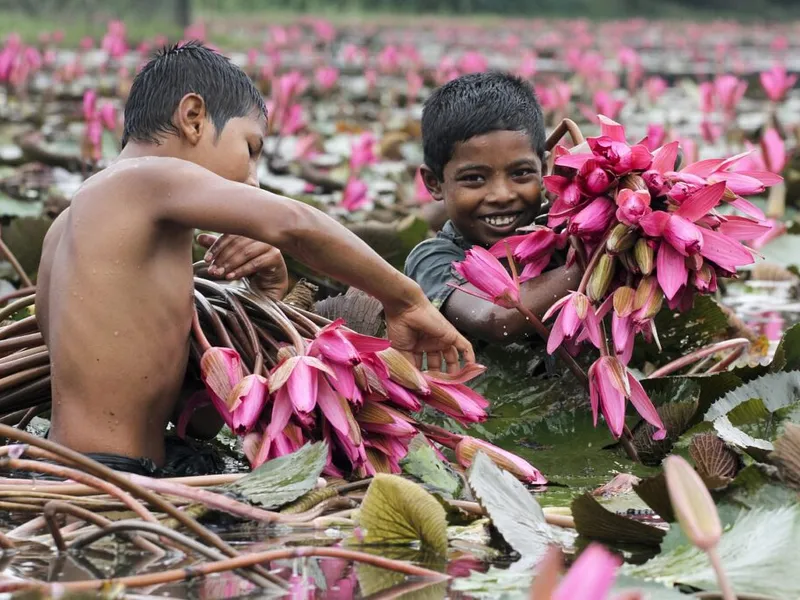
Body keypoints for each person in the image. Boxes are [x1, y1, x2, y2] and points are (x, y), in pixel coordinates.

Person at [34, 42, 473, 476]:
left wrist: (267, 295)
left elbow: (198, 419)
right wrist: (405, 299)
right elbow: (294, 224)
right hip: (111, 477)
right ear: (193, 118)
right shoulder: (142, 180)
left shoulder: (71, 227)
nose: (253, 181)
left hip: (80, 469)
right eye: (250, 149)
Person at [405, 72, 581, 345]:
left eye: (521, 173)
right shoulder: (431, 260)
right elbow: (496, 319)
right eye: (474, 178)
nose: (501, 195)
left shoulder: (563, 230)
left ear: (544, 170)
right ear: (434, 183)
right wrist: (592, 263)